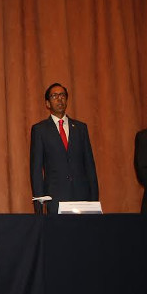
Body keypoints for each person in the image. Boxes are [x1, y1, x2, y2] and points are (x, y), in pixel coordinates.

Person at [30, 83, 99, 214]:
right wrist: (39, 206)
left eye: (62, 95)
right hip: (55, 199)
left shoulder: (80, 128)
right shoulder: (40, 130)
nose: (59, 99)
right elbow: (36, 170)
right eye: (54, 96)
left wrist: (94, 200)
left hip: (82, 198)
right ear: (47, 103)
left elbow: (90, 166)